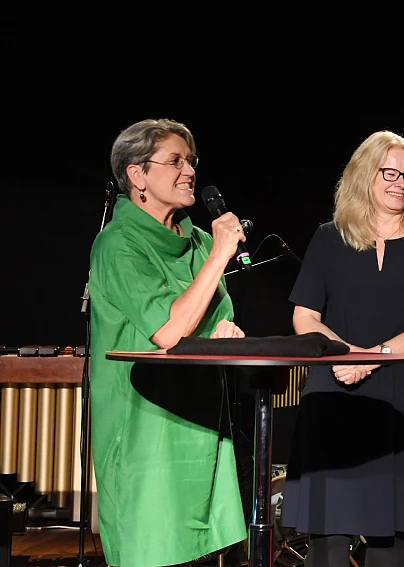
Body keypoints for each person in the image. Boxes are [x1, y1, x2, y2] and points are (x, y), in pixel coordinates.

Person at [278, 130, 404, 567]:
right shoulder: (329, 237)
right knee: (328, 538)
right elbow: (304, 317)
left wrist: (370, 358)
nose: (401, 183)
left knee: (389, 539)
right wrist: (346, 357)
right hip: (334, 393)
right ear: (365, 175)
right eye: (390, 173)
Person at [88, 118, 248, 567]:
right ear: (137, 174)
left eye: (191, 160)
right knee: (153, 548)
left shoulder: (197, 239)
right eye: (175, 160)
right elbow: (169, 331)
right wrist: (220, 254)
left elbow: (219, 317)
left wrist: (225, 332)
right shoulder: (117, 245)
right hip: (146, 430)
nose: (190, 170)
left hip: (199, 423)